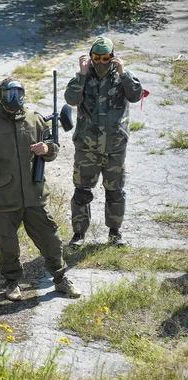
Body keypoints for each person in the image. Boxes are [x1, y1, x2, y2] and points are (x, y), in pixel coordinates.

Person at [0, 78, 81, 301]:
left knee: (51, 238)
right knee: (7, 243)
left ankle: (60, 278)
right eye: (9, 94)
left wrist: (47, 148)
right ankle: (12, 283)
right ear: (1, 96)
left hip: (34, 194)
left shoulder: (35, 120)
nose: (14, 98)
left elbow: (53, 148)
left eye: (18, 93)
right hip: (5, 197)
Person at [64, 36, 144, 247]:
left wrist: (123, 73)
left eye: (105, 57)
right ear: (90, 57)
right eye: (96, 58)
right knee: (81, 192)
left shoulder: (122, 76)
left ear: (113, 57)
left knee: (115, 192)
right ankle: (79, 235)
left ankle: (114, 233)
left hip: (114, 147)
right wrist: (82, 74)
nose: (100, 62)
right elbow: (70, 99)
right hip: (87, 146)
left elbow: (136, 96)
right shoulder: (82, 77)